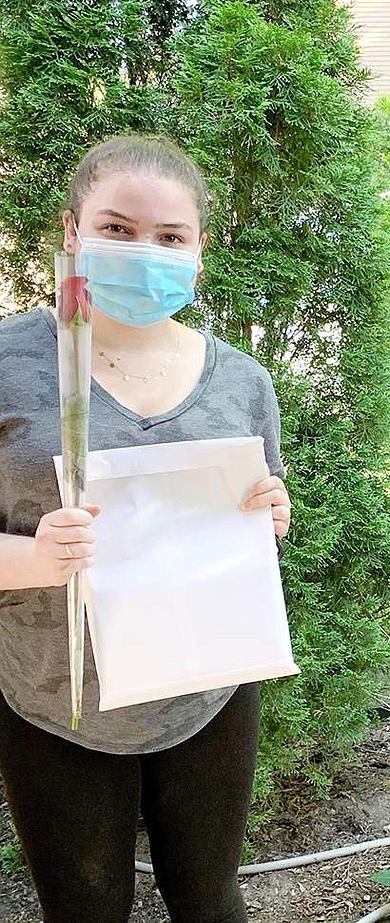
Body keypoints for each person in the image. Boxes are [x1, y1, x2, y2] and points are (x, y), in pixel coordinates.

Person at [0, 134, 292, 922]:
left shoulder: (242, 382)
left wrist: (268, 517)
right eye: (118, 229)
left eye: (170, 238)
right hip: (58, 707)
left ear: (199, 253)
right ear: (71, 232)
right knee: (87, 910)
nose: (144, 252)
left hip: (207, 697)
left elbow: (254, 518)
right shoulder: (8, 365)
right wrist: (33, 557)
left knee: (209, 900)